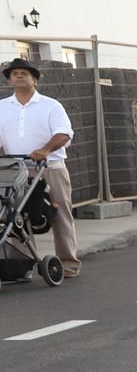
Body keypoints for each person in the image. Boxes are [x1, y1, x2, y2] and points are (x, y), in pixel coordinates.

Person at [1, 58, 79, 277]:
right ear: (9, 80)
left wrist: (45, 150)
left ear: (34, 79)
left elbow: (64, 133)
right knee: (14, 216)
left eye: (24, 73)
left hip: (50, 167)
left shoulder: (51, 105)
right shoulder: (2, 108)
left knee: (60, 214)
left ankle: (68, 264)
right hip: (15, 169)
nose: (19, 75)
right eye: (14, 73)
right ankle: (21, 266)